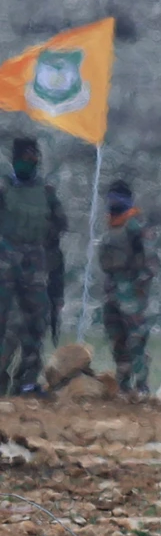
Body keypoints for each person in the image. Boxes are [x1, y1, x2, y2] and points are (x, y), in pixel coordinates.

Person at [0, 137, 68, 396]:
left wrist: (45, 250)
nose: (30, 163)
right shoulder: (4, 187)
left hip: (35, 262)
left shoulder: (46, 192)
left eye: (34, 158)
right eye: (25, 158)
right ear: (15, 159)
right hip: (5, 258)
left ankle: (27, 382)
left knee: (36, 321)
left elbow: (59, 224)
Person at [98, 180, 155, 397]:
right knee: (116, 338)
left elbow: (150, 261)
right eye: (111, 196)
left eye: (117, 197)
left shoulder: (135, 225)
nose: (113, 201)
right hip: (112, 288)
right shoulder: (112, 225)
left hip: (131, 289)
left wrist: (139, 286)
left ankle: (141, 386)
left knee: (136, 339)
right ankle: (123, 385)